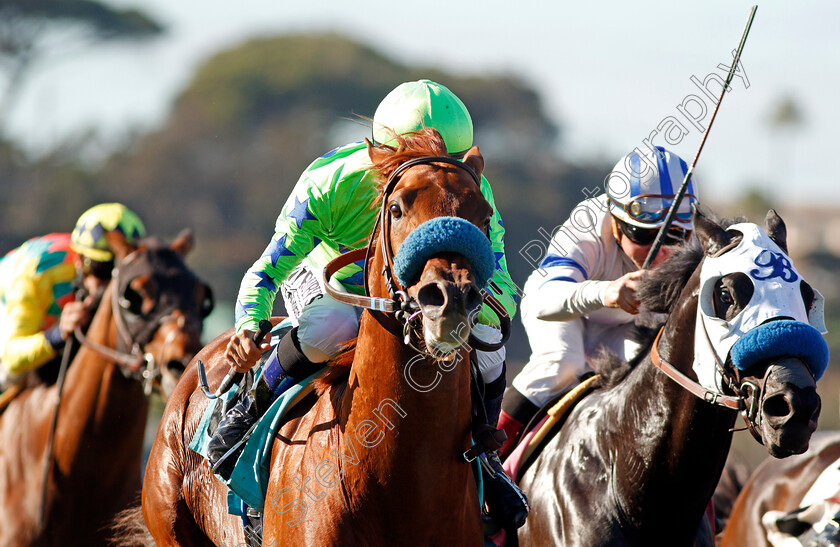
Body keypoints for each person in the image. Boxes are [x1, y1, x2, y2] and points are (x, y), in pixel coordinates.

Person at [207, 79, 530, 529]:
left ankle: (486, 455)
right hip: (334, 280)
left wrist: (477, 311)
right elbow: (268, 269)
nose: (439, 184)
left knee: (490, 343)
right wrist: (248, 325)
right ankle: (251, 410)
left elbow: (501, 282)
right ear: (381, 161)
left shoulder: (473, 191)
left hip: (423, 288)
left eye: (450, 170)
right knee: (334, 325)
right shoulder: (329, 182)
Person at [497, 146, 698, 455]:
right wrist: (607, 293)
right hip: (561, 312)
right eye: (644, 236)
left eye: (672, 236)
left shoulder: (694, 242)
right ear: (616, 221)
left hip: (622, 327)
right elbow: (543, 301)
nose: (660, 252)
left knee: (662, 373)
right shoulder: (588, 222)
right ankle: (487, 459)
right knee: (563, 362)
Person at [0, 203, 146, 388]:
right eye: (103, 269)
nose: (111, 283)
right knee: (9, 376)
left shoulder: (88, 264)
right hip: (7, 317)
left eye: (120, 271)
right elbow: (12, 357)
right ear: (79, 259)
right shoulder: (35, 274)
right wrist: (59, 333)